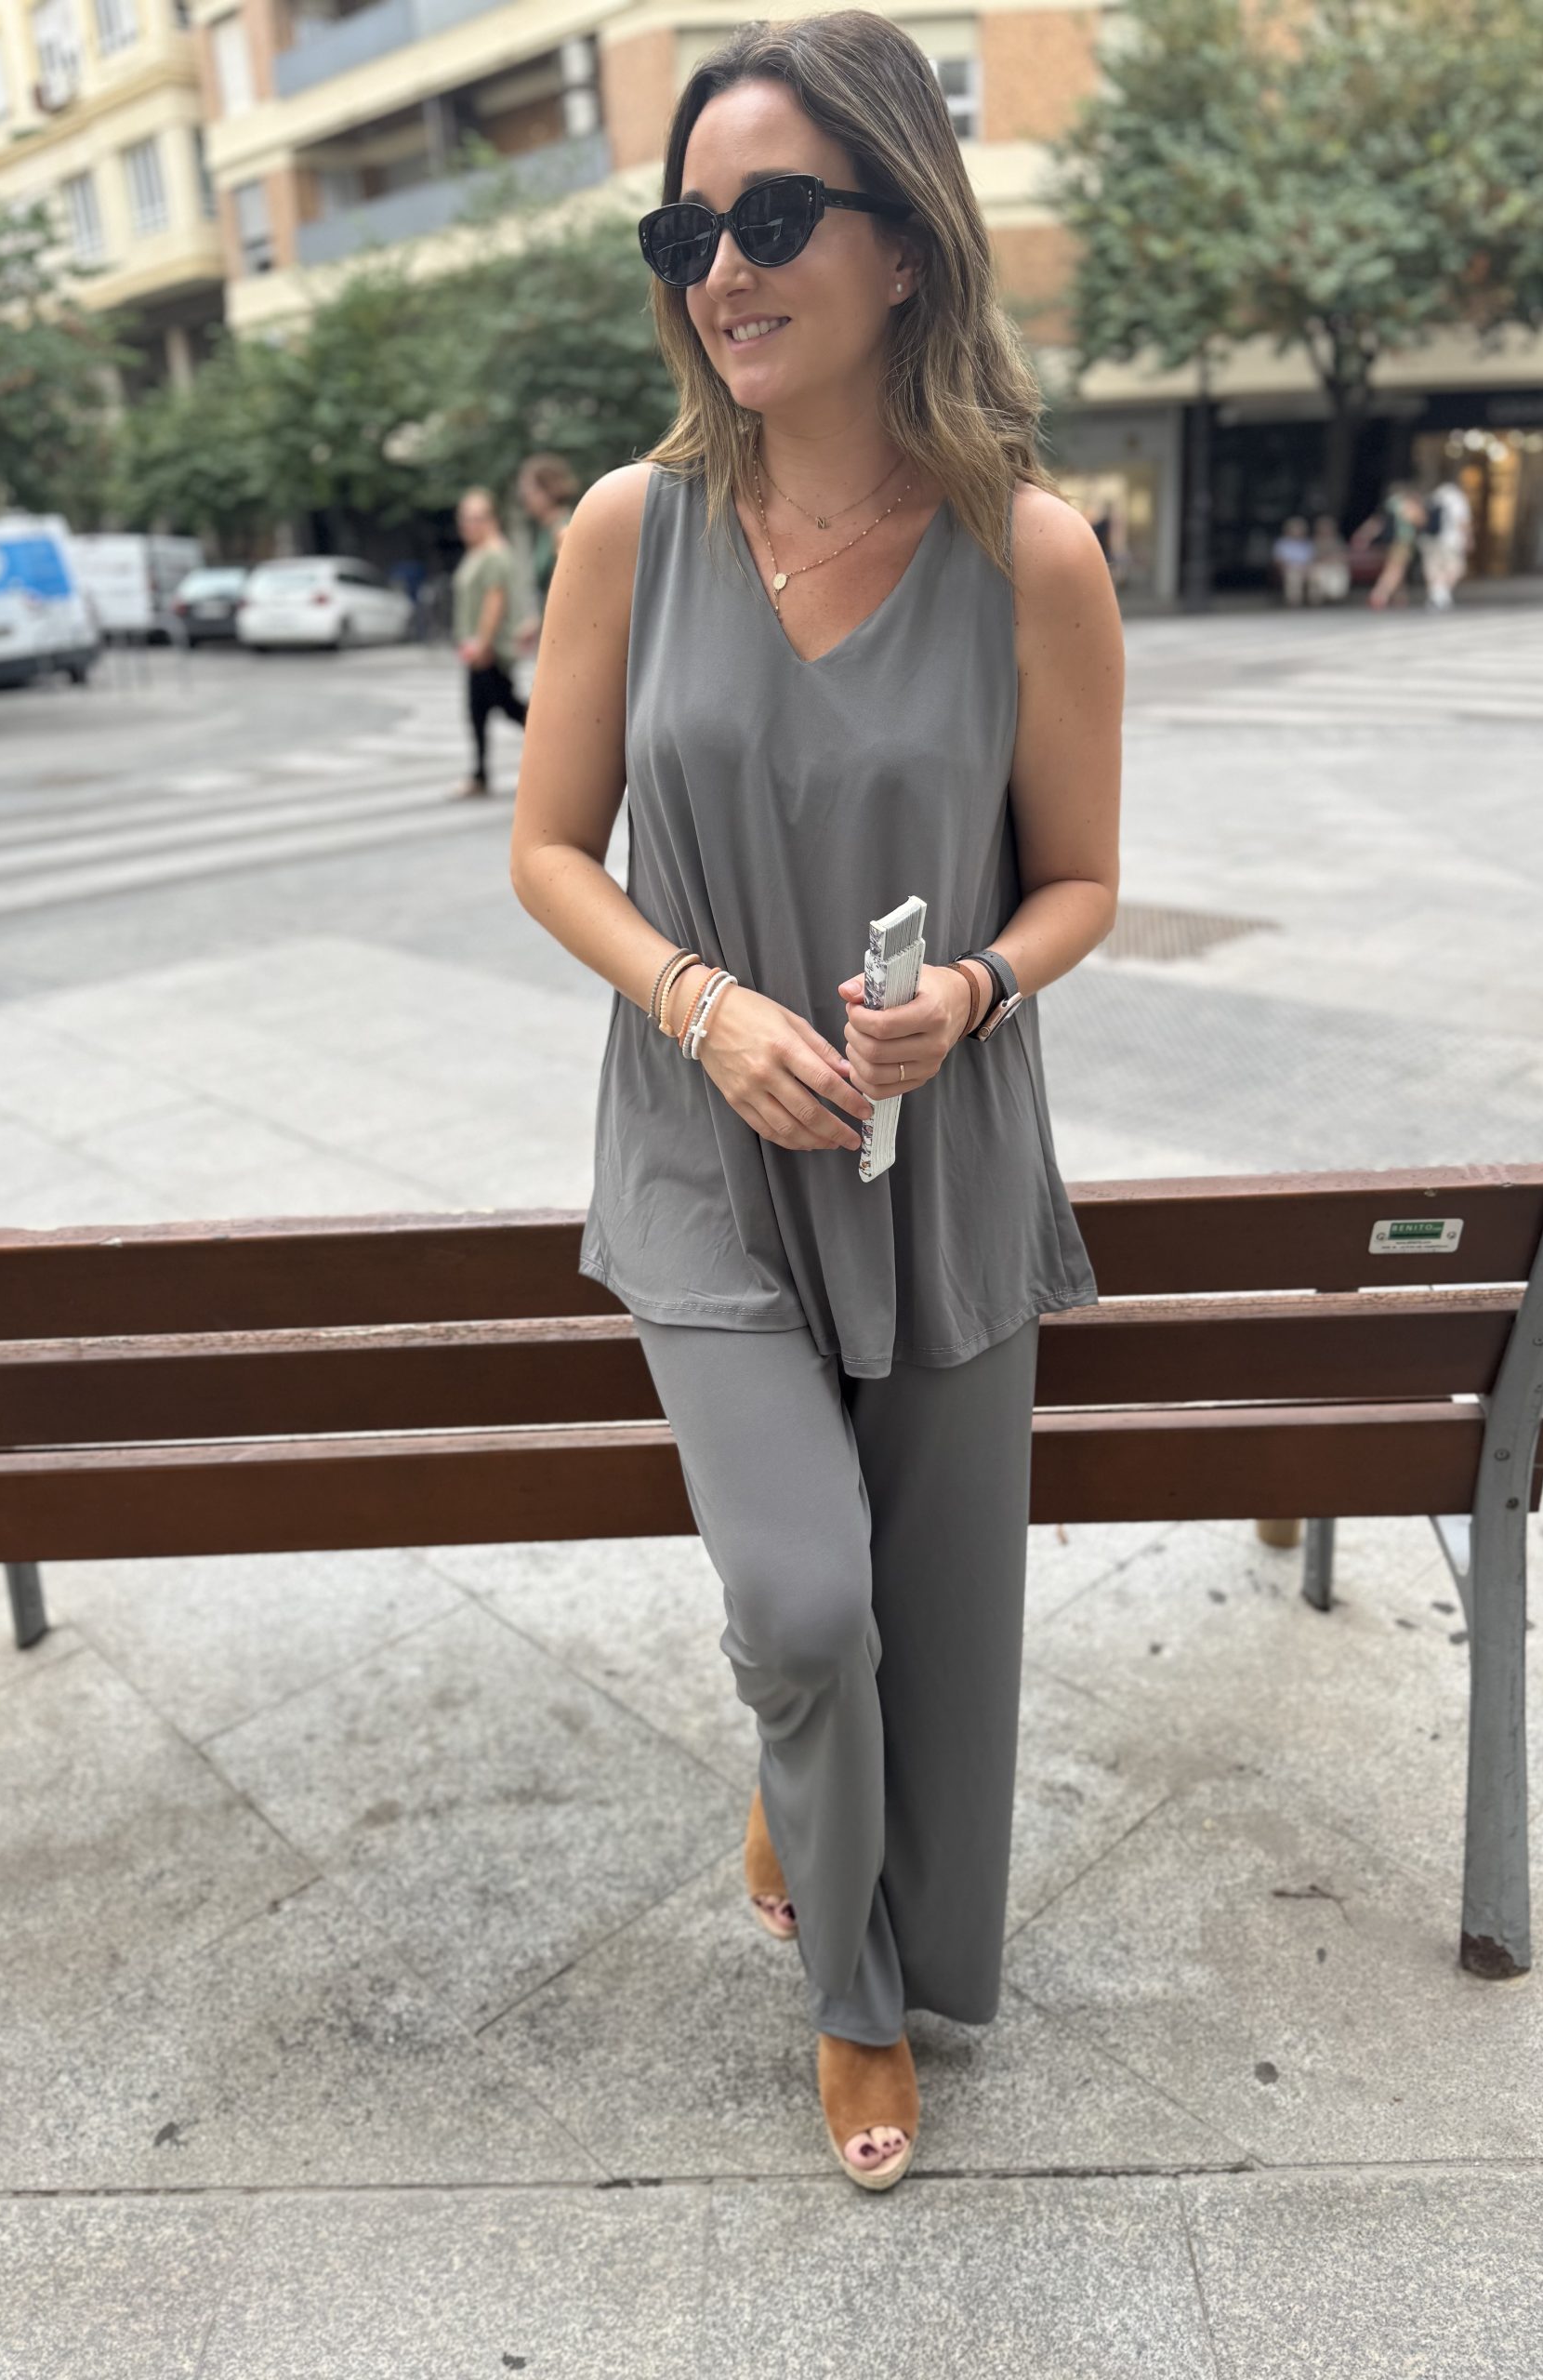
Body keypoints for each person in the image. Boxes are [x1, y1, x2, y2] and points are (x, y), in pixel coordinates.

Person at [508, 13, 1121, 2192]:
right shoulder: (628, 528)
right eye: (688, 232)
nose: (725, 268)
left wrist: (973, 985)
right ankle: (854, 2003)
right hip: (703, 1152)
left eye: (774, 215)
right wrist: (697, 1004)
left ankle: (825, 1814)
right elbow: (546, 849)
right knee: (801, 1604)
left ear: (904, 240)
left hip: (938, 1153)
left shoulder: (1030, 553)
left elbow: (1081, 882)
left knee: (918, 1624)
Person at [451, 487, 529, 800]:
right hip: (477, 649)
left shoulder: (494, 554)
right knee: (483, 711)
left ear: (491, 519)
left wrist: (482, 644)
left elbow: (494, 601)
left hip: (489, 651)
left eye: (476, 518)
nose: (468, 525)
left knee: (507, 708)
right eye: (465, 518)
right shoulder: (479, 552)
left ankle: (559, 745)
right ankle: (479, 775)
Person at [513, 453, 581, 656]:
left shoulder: (562, 530)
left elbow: (568, 593)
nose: (525, 496)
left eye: (530, 489)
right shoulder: (546, 530)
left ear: (548, 490)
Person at [1419, 477, 1473, 611]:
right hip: (1451, 540)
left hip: (1430, 539)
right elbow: (1463, 521)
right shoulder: (1457, 498)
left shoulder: (1434, 497)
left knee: (1434, 569)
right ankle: (1440, 594)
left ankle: (1437, 596)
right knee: (1456, 568)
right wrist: (1469, 538)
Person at [1366, 484, 1423, 610]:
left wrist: (1364, 536)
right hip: (1402, 541)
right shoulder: (1406, 504)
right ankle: (1379, 594)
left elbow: (1377, 522)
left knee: (1397, 569)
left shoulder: (1389, 504)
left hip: (1389, 542)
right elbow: (1418, 519)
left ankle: (1400, 597)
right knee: (1395, 570)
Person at [1271, 515, 1313, 604]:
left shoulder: (1307, 543)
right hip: (1289, 569)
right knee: (1293, 577)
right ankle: (1294, 603)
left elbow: (1312, 559)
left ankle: (1314, 602)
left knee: (1316, 576)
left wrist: (1307, 568)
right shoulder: (1282, 543)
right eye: (1294, 529)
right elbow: (1277, 560)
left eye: (1299, 529)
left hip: (1306, 568)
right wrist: (1287, 567)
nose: (1297, 531)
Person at [1310, 513, 1350, 604]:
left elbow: (1343, 555)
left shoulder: (1338, 540)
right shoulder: (1314, 541)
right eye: (1323, 527)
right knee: (1317, 573)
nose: (1325, 530)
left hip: (1335, 565)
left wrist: (1334, 559)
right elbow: (1311, 556)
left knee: (1340, 572)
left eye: (1328, 527)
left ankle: (1335, 597)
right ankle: (1318, 601)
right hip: (1319, 566)